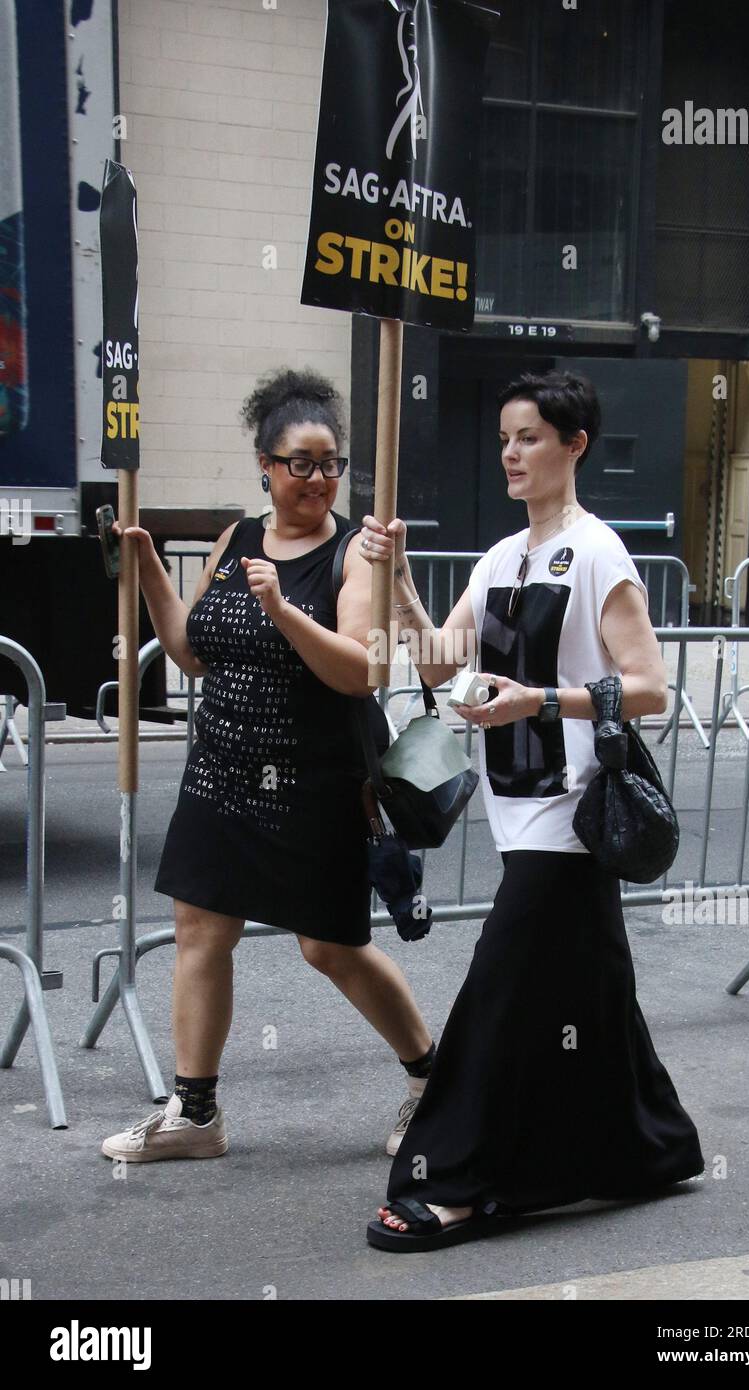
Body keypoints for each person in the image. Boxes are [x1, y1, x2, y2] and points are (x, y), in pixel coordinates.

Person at [359, 369, 704, 1251]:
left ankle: (458, 1180)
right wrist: (398, 577)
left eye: (531, 437)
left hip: (574, 815)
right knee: (590, 996)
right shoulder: (498, 558)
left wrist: (539, 702)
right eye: (505, 437)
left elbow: (649, 688)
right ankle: (648, 1146)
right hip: (515, 816)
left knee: (504, 995)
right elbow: (439, 662)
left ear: (574, 446)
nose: (511, 452)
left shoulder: (599, 553)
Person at [101, 369, 436, 1164]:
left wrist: (283, 611)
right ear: (265, 463)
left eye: (331, 464)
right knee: (199, 931)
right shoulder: (236, 538)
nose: (319, 480)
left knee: (329, 946)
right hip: (222, 769)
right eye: (301, 463)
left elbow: (361, 670)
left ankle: (432, 1077)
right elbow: (191, 652)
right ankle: (195, 1114)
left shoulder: (359, 551)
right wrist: (147, 565)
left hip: (313, 781)